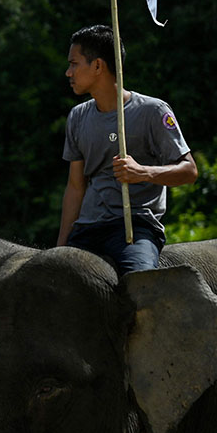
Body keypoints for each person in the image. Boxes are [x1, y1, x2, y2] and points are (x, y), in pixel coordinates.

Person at [57, 24, 196, 274]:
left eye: (74, 64)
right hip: (86, 230)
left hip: (135, 229)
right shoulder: (77, 117)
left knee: (141, 285)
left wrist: (143, 172)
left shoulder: (153, 112)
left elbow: (189, 171)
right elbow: (76, 187)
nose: (68, 72)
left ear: (98, 66)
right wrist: (60, 247)